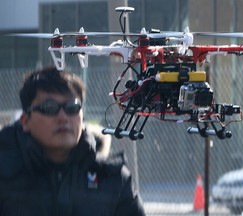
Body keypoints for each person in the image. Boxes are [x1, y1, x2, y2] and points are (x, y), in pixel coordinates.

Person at [0, 66, 146, 216]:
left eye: (72, 107)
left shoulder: (113, 178)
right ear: (25, 121)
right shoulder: (5, 175)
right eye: (50, 108)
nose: (63, 117)